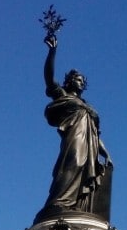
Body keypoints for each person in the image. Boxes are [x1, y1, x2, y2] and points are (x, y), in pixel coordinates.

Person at [41, 35, 112, 214]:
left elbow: (96, 134)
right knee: (73, 163)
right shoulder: (63, 95)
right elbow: (49, 79)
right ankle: (58, 203)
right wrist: (52, 52)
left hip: (90, 145)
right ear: (71, 80)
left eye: (83, 81)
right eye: (78, 79)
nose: (81, 83)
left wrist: (105, 153)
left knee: (85, 170)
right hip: (74, 139)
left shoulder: (88, 107)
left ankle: (77, 207)